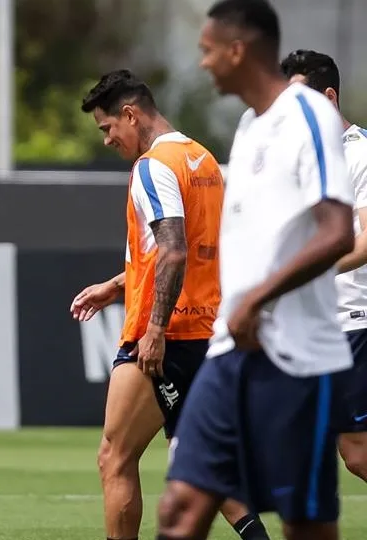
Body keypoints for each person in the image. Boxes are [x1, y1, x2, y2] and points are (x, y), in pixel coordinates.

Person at [158, 2, 354, 539]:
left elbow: (338, 231)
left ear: (238, 49)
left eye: (207, 50)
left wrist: (256, 298)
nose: (202, 63)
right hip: (230, 353)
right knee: (181, 505)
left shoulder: (308, 115)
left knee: (305, 525)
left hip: (297, 358)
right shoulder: (248, 127)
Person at [74, 69, 269, 540]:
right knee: (195, 457)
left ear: (130, 113)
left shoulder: (152, 166)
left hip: (162, 334)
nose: (108, 141)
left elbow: (175, 249)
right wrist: (118, 284)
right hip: (207, 330)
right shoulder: (202, 159)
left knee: (114, 457)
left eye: (108, 129)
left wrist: (155, 329)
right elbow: (195, 249)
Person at [281, 48, 367, 483]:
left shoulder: (361, 154)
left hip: (356, 320)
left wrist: (310, 272)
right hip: (316, 324)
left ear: (329, 97)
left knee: (356, 453)